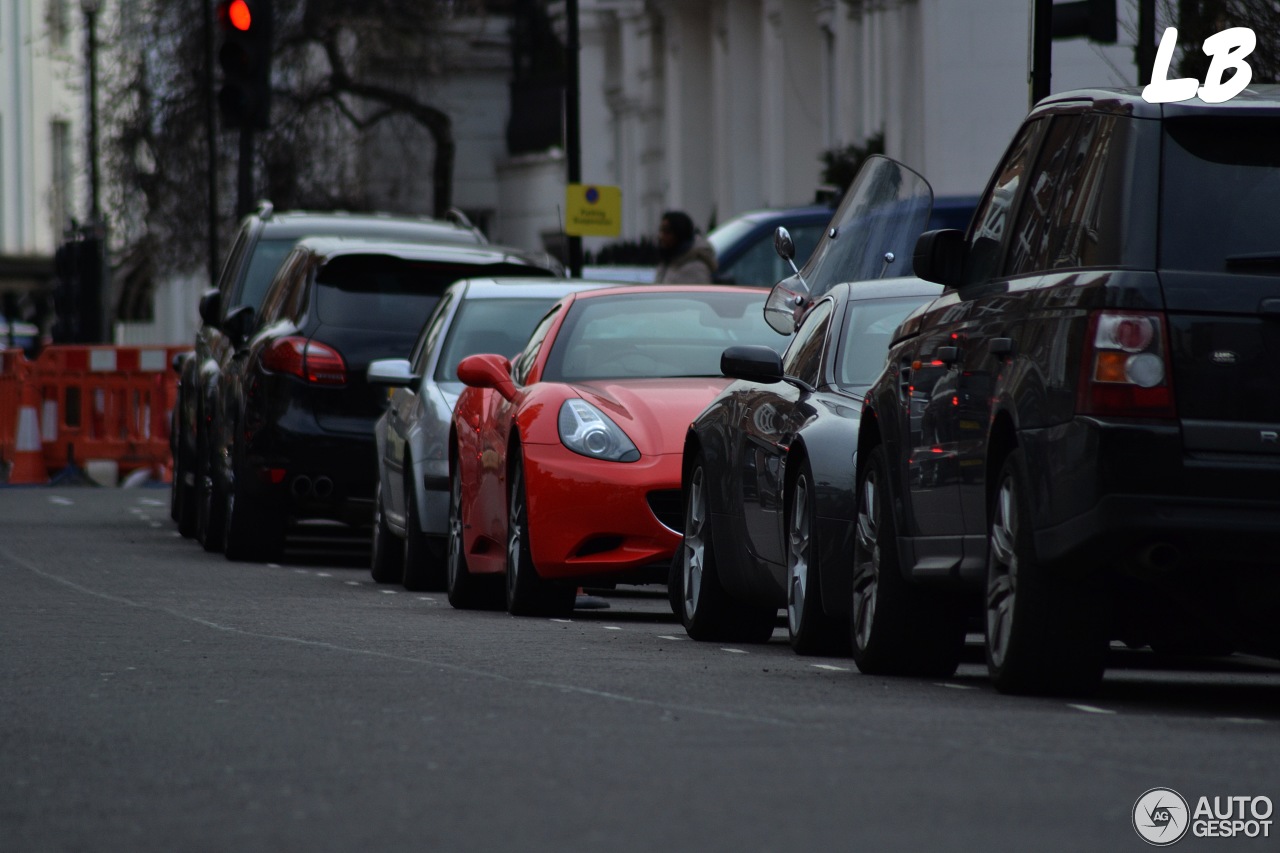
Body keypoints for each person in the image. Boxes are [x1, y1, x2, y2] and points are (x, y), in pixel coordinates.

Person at [654, 211, 717, 283]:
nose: (661, 236)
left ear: (679, 234)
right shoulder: (668, 263)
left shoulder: (695, 268)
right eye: (661, 231)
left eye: (667, 232)